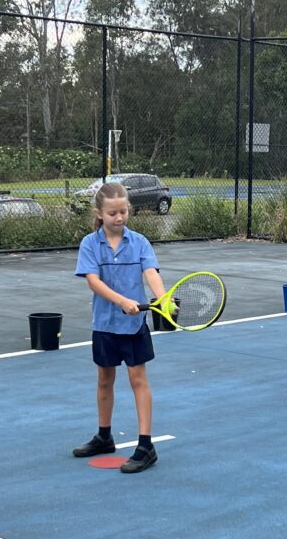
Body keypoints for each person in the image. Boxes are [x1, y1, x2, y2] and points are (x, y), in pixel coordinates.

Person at [72, 182, 168, 474]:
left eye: (124, 211)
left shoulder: (139, 242)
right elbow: (93, 281)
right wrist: (123, 300)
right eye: (113, 212)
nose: (119, 217)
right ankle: (104, 436)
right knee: (104, 380)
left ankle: (145, 445)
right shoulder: (90, 244)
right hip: (104, 325)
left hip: (134, 326)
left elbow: (150, 272)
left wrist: (162, 298)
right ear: (100, 213)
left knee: (138, 379)